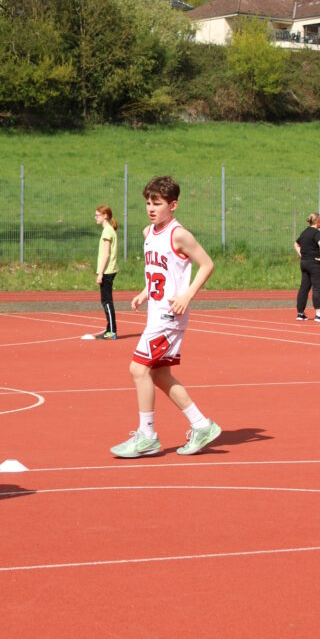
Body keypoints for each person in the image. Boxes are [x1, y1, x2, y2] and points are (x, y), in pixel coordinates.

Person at [110, 175, 221, 458]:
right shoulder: (149, 233)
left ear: (173, 205)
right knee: (159, 374)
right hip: (155, 312)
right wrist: (145, 292)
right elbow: (159, 271)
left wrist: (187, 295)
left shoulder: (179, 235)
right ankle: (202, 425)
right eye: (148, 202)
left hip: (170, 316)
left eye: (157, 203)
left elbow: (207, 264)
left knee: (138, 369)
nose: (151, 208)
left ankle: (147, 436)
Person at [294, 213, 320, 322]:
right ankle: (319, 314)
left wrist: (302, 254)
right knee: (317, 288)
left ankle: (300, 314)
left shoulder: (304, 232)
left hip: (304, 263)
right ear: (317, 221)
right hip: (314, 263)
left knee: (304, 288)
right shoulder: (317, 233)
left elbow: (296, 244)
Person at [95, 205, 118, 339]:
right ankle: (110, 329)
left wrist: (100, 273)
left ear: (105, 216)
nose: (95, 218)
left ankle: (112, 331)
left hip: (107, 271)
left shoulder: (107, 231)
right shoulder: (109, 230)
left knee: (107, 301)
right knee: (106, 300)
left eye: (97, 215)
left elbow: (106, 254)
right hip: (108, 270)